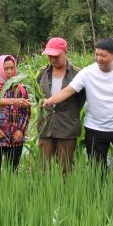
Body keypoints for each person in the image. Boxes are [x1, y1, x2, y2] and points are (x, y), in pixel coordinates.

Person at [44, 38, 113, 172]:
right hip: (95, 129)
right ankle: (99, 193)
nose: (99, 58)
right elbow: (69, 90)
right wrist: (51, 100)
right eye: (96, 54)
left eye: (103, 55)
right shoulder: (87, 73)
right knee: (97, 171)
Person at [36, 37, 85, 175]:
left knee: (66, 169)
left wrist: (69, 114)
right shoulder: (42, 73)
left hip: (67, 127)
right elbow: (38, 97)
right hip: (46, 127)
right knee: (44, 168)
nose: (52, 59)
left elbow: (81, 99)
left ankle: (65, 195)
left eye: (56, 55)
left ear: (65, 51)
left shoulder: (77, 74)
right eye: (50, 56)